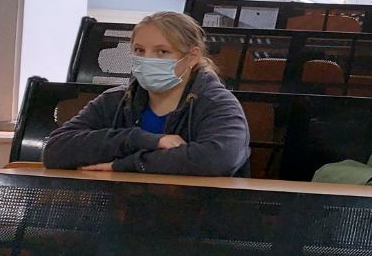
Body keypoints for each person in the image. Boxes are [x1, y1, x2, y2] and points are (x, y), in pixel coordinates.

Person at [43, 11, 251, 176]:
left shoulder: (217, 103)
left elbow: (217, 158)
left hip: (198, 213)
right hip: (122, 211)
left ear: (192, 56)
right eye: (139, 50)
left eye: (162, 52)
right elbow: (55, 150)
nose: (148, 59)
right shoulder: (115, 100)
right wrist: (141, 139)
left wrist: (123, 166)